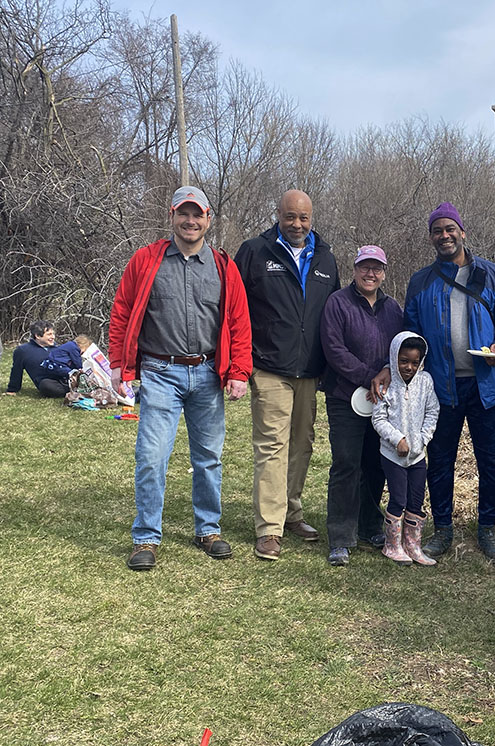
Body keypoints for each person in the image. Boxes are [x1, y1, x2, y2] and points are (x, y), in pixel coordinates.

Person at [109, 185, 252, 571]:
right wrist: (119, 366)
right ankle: (145, 538)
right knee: (152, 458)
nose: (191, 221)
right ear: (171, 216)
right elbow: (122, 312)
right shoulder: (146, 260)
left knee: (209, 459)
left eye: (198, 214)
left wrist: (238, 371)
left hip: (207, 374)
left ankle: (208, 529)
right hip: (159, 373)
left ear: (208, 219)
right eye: (183, 214)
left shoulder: (224, 266)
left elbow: (239, 323)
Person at [400, 202, 495, 563]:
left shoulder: (491, 275)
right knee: (439, 459)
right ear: (431, 237)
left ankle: (487, 529)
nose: (444, 235)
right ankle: (443, 529)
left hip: (486, 386)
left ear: (462, 232)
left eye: (450, 228)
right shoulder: (421, 281)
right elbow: (410, 334)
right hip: (441, 387)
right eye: (437, 230)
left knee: (492, 459)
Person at [235, 189, 340, 561]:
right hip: (269, 367)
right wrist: (240, 360)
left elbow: (334, 315)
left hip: (309, 371)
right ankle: (269, 528)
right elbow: (235, 308)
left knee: (302, 444)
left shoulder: (326, 257)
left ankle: (291, 511)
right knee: (271, 446)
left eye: (304, 218)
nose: (297, 224)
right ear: (277, 214)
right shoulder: (254, 252)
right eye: (290, 217)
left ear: (312, 219)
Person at [321, 245, 403, 566]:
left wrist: (385, 372)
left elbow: (399, 347)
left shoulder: (392, 308)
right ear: (354, 269)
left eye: (377, 268)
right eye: (365, 267)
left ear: (384, 273)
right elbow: (334, 350)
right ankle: (341, 536)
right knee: (346, 463)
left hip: (381, 400)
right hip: (345, 397)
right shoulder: (338, 303)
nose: (371, 274)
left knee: (375, 463)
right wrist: (369, 375)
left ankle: (369, 525)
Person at [372, 332, 440, 566]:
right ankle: (392, 545)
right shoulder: (387, 384)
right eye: (403, 361)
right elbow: (378, 418)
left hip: (418, 455)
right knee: (398, 498)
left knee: (416, 499)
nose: (409, 367)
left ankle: (413, 545)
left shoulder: (426, 382)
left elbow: (432, 412)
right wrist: (397, 439)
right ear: (394, 358)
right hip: (392, 455)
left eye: (414, 362)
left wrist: (422, 440)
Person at [5, 320, 66, 397]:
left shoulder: (57, 348)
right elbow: (16, 370)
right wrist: (12, 389)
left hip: (65, 378)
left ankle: (76, 389)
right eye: (49, 334)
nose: (53, 337)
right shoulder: (23, 351)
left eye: (53, 334)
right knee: (46, 385)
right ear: (37, 336)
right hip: (48, 383)